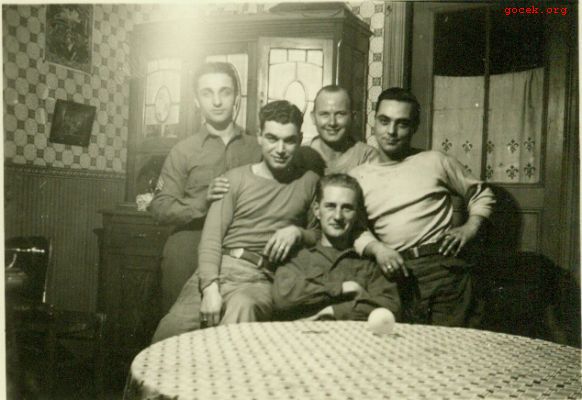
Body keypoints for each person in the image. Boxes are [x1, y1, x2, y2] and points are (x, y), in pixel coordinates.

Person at [152, 100, 320, 342]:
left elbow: (320, 235)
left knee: (242, 311)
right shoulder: (234, 179)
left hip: (260, 277)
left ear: (300, 139)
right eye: (272, 138)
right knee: (168, 333)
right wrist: (210, 288)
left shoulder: (309, 182)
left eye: (289, 140)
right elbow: (211, 239)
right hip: (220, 269)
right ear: (260, 136)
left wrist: (298, 232)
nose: (280, 149)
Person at [349, 87, 495, 327]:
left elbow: (481, 193)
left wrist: (470, 227)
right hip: (394, 272)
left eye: (402, 124)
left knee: (448, 344)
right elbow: (353, 228)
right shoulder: (357, 177)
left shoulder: (435, 161)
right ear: (374, 122)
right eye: (384, 121)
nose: (391, 131)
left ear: (414, 127)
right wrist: (377, 249)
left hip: (442, 268)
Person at [149, 62, 262, 313]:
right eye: (207, 93)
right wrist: (202, 201)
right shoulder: (183, 151)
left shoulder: (258, 148)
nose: (217, 101)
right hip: (190, 248)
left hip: (244, 250)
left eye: (225, 92)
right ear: (196, 100)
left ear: (237, 98)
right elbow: (159, 208)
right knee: (182, 323)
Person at [272, 174, 401, 321]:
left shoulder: (368, 264)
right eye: (330, 206)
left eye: (347, 208)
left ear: (357, 214)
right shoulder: (299, 257)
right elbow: (283, 297)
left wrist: (334, 312)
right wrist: (345, 288)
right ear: (316, 210)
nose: (338, 216)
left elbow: (391, 306)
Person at [300, 85, 378, 175]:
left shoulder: (367, 157)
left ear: (353, 117)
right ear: (313, 117)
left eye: (340, 114)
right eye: (325, 114)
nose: (332, 122)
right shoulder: (300, 155)